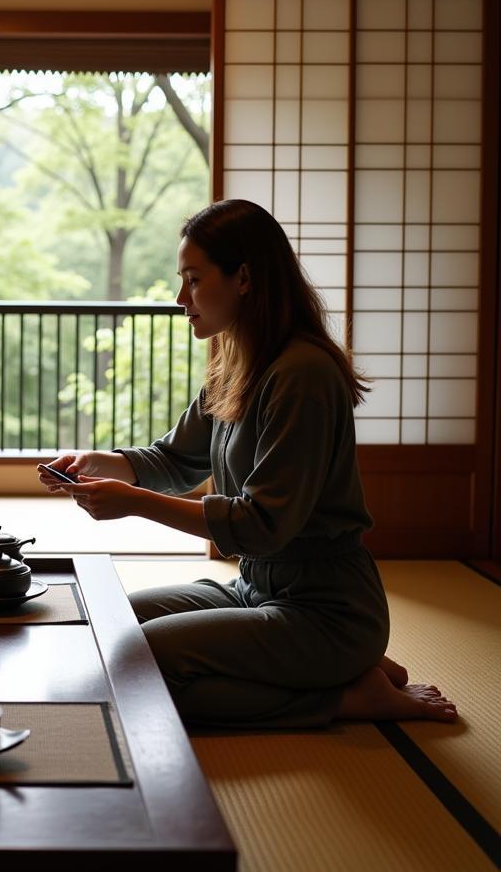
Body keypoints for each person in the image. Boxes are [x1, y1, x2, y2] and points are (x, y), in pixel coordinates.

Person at [40, 200, 456, 728]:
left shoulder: (303, 374)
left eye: (193, 280)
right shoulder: (235, 364)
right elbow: (175, 458)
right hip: (252, 588)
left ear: (243, 278)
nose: (180, 299)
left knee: (139, 670)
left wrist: (135, 504)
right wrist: (103, 463)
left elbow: (263, 524)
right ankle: (341, 671)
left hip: (324, 610)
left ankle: (346, 695)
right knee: (109, 628)